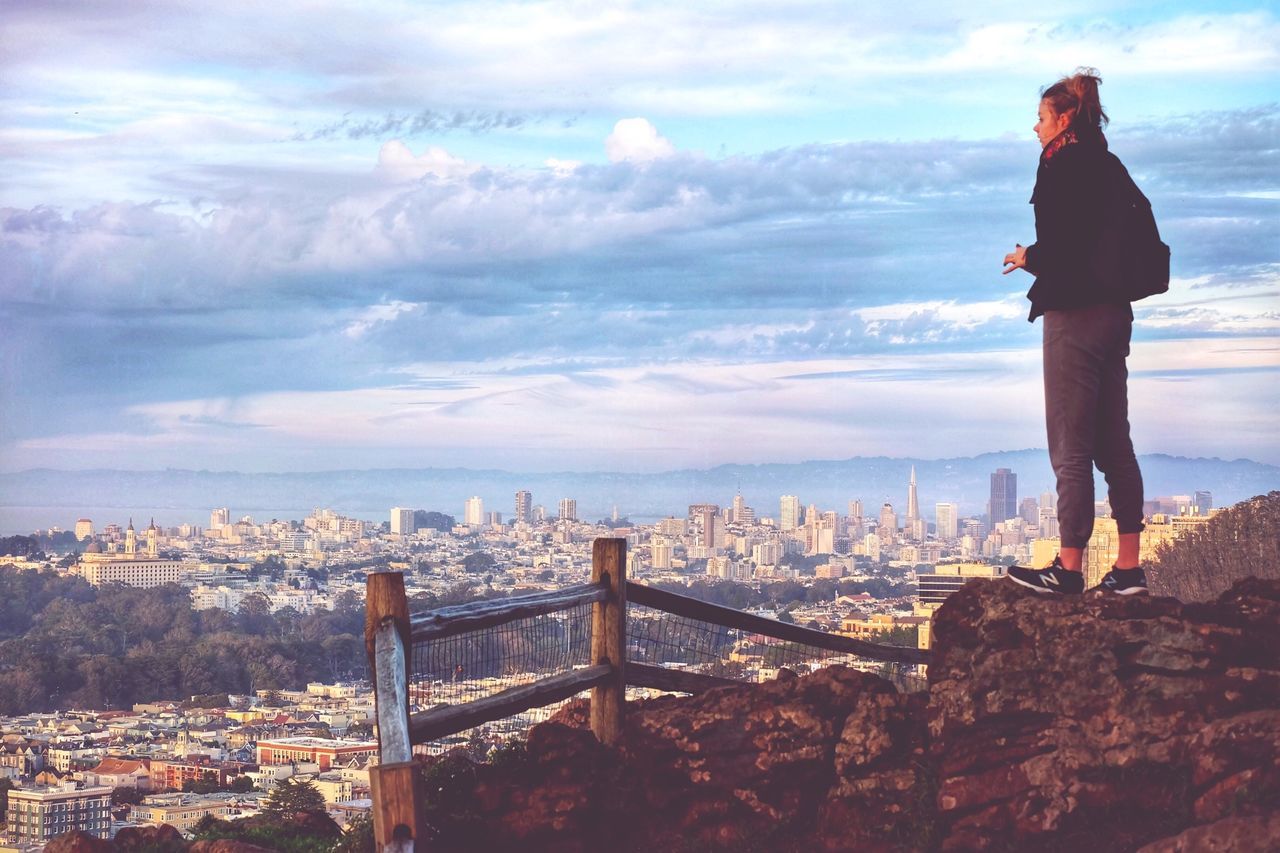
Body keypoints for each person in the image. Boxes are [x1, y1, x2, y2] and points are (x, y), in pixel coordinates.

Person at [1001, 68, 1148, 596]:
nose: (1034, 128)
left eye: (1041, 118)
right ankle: (1129, 570)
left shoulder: (1060, 165)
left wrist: (1027, 257)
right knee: (1114, 441)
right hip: (1116, 314)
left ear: (1063, 119)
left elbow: (1066, 246)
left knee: (1070, 443)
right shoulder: (1109, 164)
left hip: (1076, 315)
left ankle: (1068, 568)